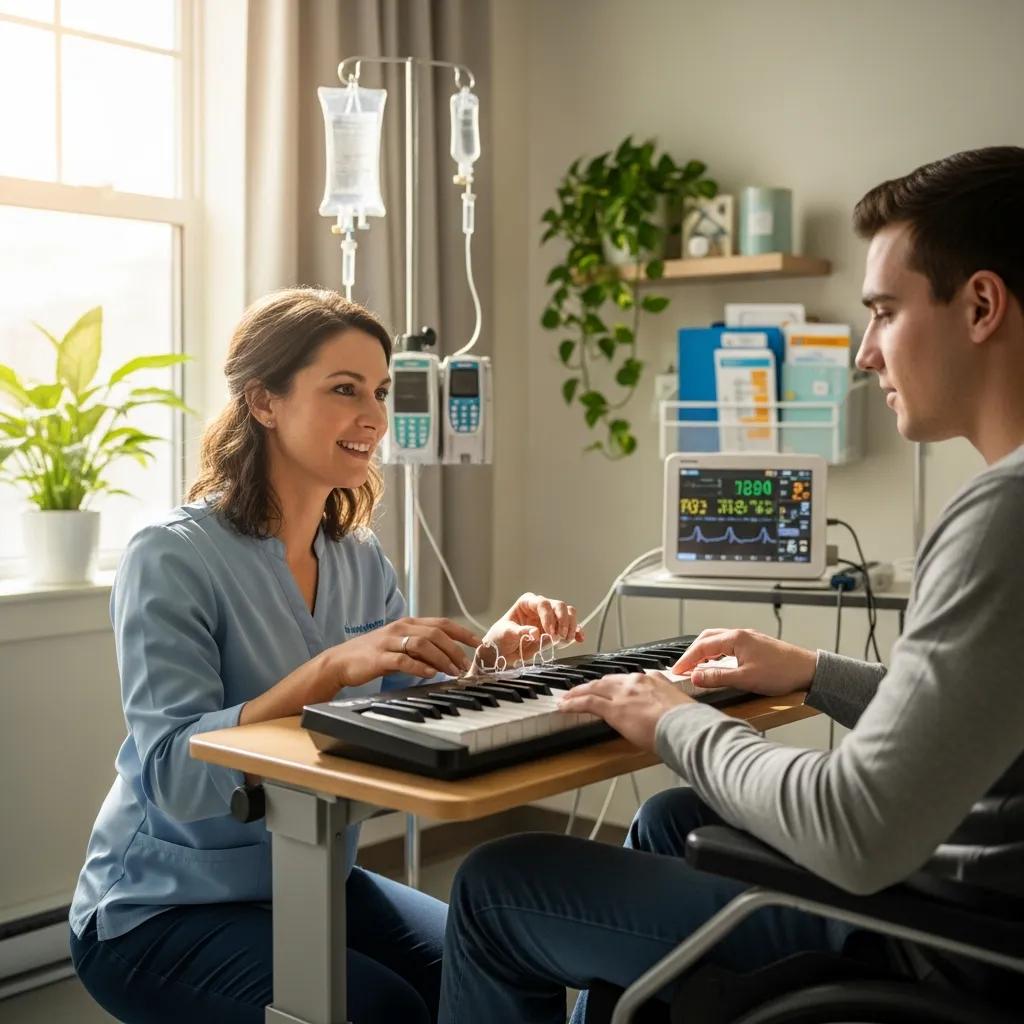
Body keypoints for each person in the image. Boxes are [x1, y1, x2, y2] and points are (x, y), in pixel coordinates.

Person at [438, 146, 1024, 1024]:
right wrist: (815, 671)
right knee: (676, 816)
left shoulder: (1002, 517)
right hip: (964, 898)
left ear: (980, 305)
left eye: (884, 312)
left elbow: (858, 829)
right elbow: (972, 721)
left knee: (494, 882)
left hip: (934, 939)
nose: (867, 354)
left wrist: (674, 717)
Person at [68, 288, 582, 1024]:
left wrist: (490, 653)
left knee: (503, 973)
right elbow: (173, 776)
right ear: (264, 402)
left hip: (308, 874)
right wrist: (328, 669)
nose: (374, 416)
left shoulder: (359, 556)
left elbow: (401, 708)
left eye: (379, 391)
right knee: (379, 1009)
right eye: (344, 390)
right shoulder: (171, 557)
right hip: (159, 906)